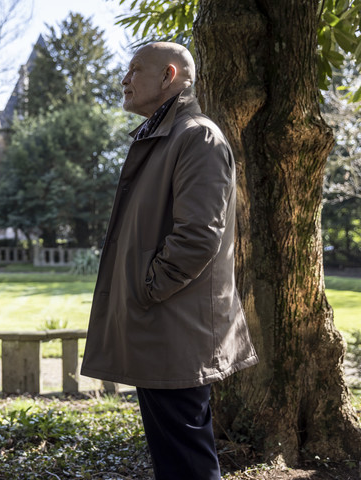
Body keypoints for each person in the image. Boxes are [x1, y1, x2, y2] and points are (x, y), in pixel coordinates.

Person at [80, 42, 259, 480]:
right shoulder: (164, 136)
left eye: (134, 69)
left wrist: (147, 288)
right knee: (174, 458)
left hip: (174, 327)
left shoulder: (197, 136)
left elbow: (198, 237)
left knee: (187, 462)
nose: (124, 79)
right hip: (159, 326)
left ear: (169, 76)